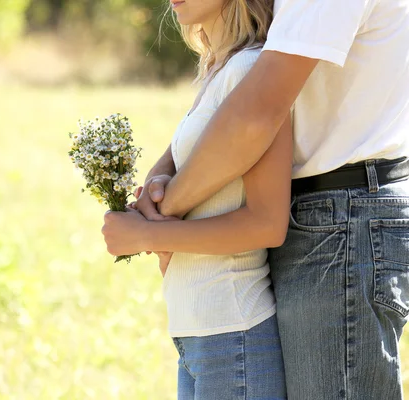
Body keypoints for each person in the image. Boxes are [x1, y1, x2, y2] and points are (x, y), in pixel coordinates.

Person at [104, 0, 409, 399]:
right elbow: (231, 118)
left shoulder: (248, 65)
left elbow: (258, 113)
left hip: (343, 210)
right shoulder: (227, 67)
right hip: (318, 216)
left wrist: (156, 225)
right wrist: (161, 180)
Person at [103, 0, 290, 398]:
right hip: (198, 335)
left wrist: (148, 237)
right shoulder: (217, 69)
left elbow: (266, 223)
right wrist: (160, 185)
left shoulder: (250, 69)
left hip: (232, 332)